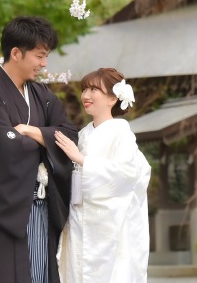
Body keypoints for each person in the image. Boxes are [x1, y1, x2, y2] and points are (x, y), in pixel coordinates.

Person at [0, 16, 78, 283]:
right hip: (2, 213)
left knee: (39, 274)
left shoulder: (42, 96)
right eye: (40, 56)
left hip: (40, 207)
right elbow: (5, 146)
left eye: (46, 56)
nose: (44, 64)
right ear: (16, 53)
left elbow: (70, 136)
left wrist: (30, 131)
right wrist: (45, 140)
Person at [54, 68, 151, 283]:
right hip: (79, 218)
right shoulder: (83, 134)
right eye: (84, 89)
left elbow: (127, 174)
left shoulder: (121, 133)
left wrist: (81, 160)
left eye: (94, 89)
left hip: (107, 224)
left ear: (113, 98)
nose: (86, 96)